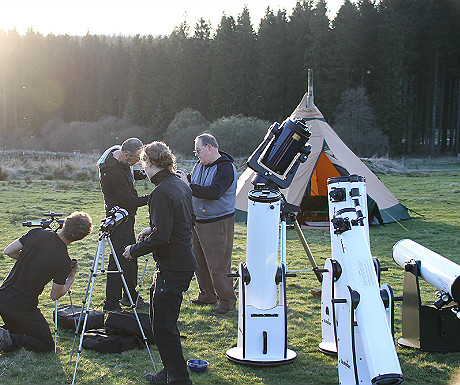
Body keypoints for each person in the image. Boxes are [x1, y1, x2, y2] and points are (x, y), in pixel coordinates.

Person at [123, 141, 197, 385]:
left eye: (144, 163)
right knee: (160, 322)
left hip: (173, 266)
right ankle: (170, 371)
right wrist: (152, 228)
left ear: (150, 163)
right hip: (180, 262)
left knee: (163, 327)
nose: (143, 167)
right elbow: (186, 220)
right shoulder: (178, 184)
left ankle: (178, 378)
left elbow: (163, 237)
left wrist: (134, 250)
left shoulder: (161, 191)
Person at [0, 212, 92, 353]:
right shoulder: (64, 261)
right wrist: (71, 279)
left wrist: (29, 259)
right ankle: (9, 338)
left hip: (3, 296)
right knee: (46, 344)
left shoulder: (36, 232)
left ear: (65, 224)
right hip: (23, 305)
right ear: (81, 238)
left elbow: (9, 251)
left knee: (19, 330)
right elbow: (55, 295)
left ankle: (7, 335)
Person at [177, 133, 237, 315]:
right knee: (199, 262)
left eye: (198, 150)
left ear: (209, 147)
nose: (196, 155)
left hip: (218, 223)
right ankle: (207, 296)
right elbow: (193, 182)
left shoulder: (225, 168)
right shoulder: (199, 165)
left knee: (218, 265)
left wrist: (188, 186)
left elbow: (215, 192)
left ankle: (227, 302)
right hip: (198, 221)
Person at [98, 137, 149, 312]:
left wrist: (147, 174)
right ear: (126, 154)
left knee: (131, 256)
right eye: (136, 159)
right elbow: (128, 200)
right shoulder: (113, 172)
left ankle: (129, 295)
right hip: (118, 219)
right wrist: (152, 198)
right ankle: (111, 303)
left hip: (127, 218)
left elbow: (129, 175)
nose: (138, 162)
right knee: (118, 261)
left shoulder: (120, 160)